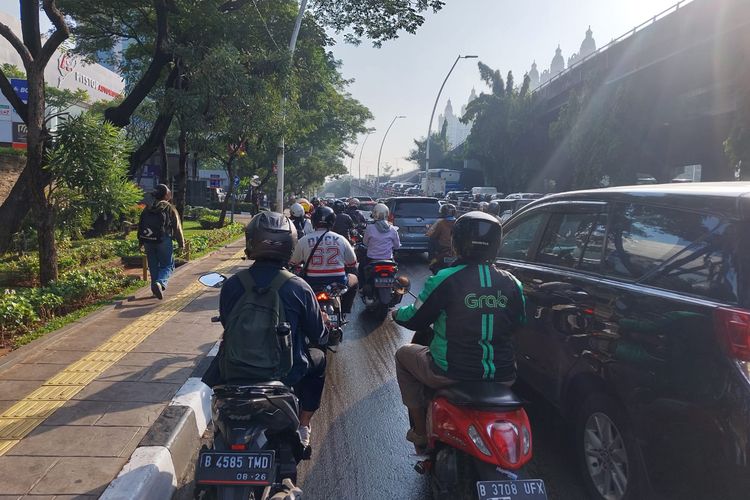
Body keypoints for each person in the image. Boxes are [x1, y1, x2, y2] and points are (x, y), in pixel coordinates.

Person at [392, 211, 526, 452]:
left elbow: (415, 318)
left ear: (457, 243)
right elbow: (518, 322)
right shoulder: (512, 282)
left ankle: (420, 432)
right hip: (504, 374)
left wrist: (395, 314)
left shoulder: (446, 278)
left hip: (448, 371)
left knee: (403, 354)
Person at [202, 211, 328, 447]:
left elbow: (227, 323)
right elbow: (318, 334)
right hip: (284, 374)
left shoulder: (232, 284)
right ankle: (303, 425)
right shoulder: (299, 287)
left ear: (251, 242)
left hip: (232, 372)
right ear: (290, 244)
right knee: (319, 358)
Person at [290, 206, 358, 317]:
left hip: (311, 282)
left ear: (313, 221)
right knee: (354, 279)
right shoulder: (341, 239)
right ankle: (345, 310)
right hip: (338, 282)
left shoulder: (304, 240)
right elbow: (352, 262)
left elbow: (293, 262)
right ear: (332, 221)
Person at [138, 184, 185, 300]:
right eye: (169, 191)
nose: (170, 193)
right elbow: (177, 227)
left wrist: (141, 241)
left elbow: (141, 224)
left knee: (153, 265)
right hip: (163, 239)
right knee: (168, 265)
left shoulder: (148, 207)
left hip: (148, 240)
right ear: (165, 195)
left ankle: (155, 289)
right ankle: (160, 283)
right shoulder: (169, 208)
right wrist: (181, 243)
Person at [360, 203, 401, 287]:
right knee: (395, 273)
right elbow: (397, 246)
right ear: (387, 214)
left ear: (374, 214)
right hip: (388, 259)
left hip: (372, 259)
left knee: (361, 269)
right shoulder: (393, 229)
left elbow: (365, 243)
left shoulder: (370, 228)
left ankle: (362, 288)